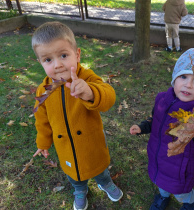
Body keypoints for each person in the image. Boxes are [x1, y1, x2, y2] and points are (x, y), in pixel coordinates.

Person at [31, 21, 123, 210]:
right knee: (74, 174)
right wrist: (43, 142)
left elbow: (109, 96)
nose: (57, 65)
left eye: (63, 55)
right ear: (40, 62)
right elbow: (42, 120)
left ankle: (105, 183)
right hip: (65, 145)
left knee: (99, 169)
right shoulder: (44, 90)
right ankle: (79, 190)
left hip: (91, 143)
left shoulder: (86, 77)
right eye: (48, 60)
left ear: (77, 54)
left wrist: (91, 92)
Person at [130, 48, 194, 210]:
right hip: (158, 158)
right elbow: (155, 120)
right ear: (174, 77)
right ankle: (163, 196)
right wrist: (142, 127)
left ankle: (191, 201)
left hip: (180, 168)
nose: (188, 84)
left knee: (180, 193)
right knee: (161, 185)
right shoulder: (162, 99)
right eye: (183, 76)